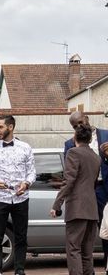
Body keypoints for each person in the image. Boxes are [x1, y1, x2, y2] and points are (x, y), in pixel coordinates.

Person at [0, 115, 36, 275]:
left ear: (11, 127)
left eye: (0, 127)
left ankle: (19, 270)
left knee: (21, 236)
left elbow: (32, 172)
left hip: (21, 198)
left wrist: (26, 184)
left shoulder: (26, 148)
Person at [51, 123, 101, 274]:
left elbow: (69, 181)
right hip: (92, 209)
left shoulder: (73, 152)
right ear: (90, 138)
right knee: (87, 252)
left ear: (75, 137)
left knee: (74, 249)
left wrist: (56, 204)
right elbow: (92, 183)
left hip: (77, 208)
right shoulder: (96, 157)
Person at [65, 110, 108, 266]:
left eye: (81, 122)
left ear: (87, 118)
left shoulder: (107, 135)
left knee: (107, 229)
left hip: (105, 189)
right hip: (85, 192)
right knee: (85, 236)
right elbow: (69, 174)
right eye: (75, 126)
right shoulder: (70, 144)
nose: (79, 126)